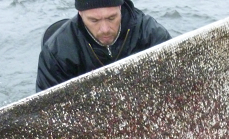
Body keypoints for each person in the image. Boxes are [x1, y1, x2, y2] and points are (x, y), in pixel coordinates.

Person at [36, 0, 171, 92]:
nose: (105, 29)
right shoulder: (56, 51)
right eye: (94, 20)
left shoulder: (151, 34)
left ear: (120, 7)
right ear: (80, 13)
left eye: (111, 18)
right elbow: (46, 113)